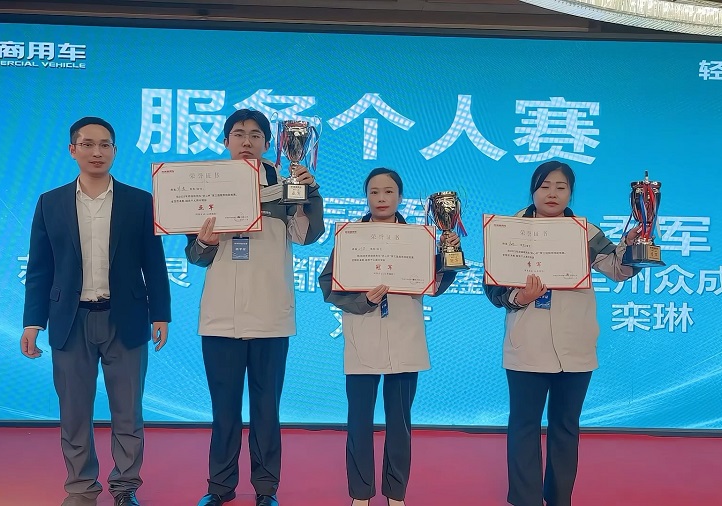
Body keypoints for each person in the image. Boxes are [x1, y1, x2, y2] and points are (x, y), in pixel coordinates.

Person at [20, 117, 172, 506]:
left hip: (127, 319)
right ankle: (81, 488)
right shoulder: (50, 202)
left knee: (128, 413)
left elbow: (154, 263)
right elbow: (39, 269)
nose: (97, 152)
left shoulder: (139, 202)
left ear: (115, 151)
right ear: (72, 150)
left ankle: (125, 489)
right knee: (74, 413)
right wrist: (33, 323)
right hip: (70, 321)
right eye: (87, 144)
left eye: (105, 145)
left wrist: (161, 313)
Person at [187, 109, 324, 506]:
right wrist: (208, 241)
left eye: (255, 135)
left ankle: (266, 490)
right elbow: (195, 255)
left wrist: (310, 194)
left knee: (266, 410)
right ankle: (220, 488)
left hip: (270, 318)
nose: (246, 141)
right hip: (220, 320)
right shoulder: (205, 187)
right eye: (238, 134)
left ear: (269, 143)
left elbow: (306, 235)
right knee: (224, 410)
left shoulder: (285, 184)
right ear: (225, 141)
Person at [484, 160, 641, 506]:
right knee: (524, 425)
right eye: (545, 186)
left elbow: (618, 270)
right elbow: (494, 290)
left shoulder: (584, 232)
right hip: (527, 346)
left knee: (566, 426)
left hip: (575, 345)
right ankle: (525, 500)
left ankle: (559, 499)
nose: (552, 193)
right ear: (533, 190)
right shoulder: (508, 230)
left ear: (571, 192)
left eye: (561, 187)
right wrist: (520, 297)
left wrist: (631, 247)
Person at [318, 167, 458, 506]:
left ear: (400, 197)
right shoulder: (351, 238)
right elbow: (329, 286)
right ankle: (360, 494)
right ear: (366, 197)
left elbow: (435, 285)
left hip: (405, 337)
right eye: (374, 192)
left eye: (389, 192)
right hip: (362, 336)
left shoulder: (418, 239)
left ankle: (396, 494)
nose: (381, 198)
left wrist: (448, 255)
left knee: (400, 423)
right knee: (359, 422)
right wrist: (363, 301)